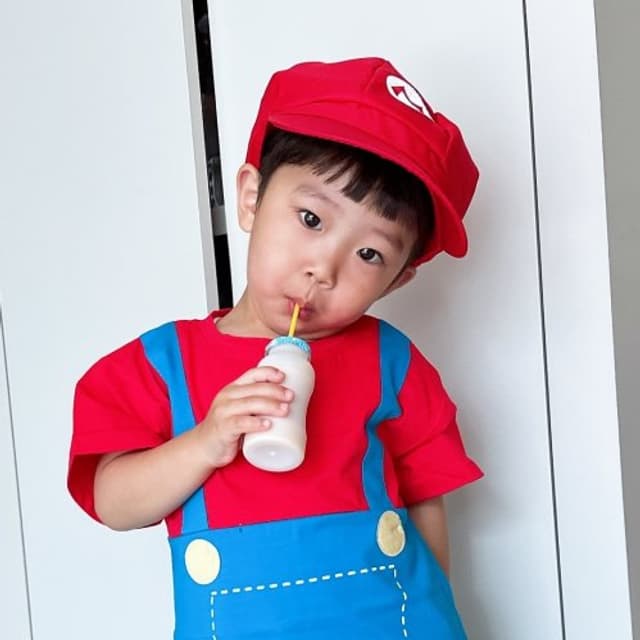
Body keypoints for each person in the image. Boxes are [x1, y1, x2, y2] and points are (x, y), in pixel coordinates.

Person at [68, 57, 484, 639]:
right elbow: (114, 503)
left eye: (370, 254)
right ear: (250, 197)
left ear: (397, 281)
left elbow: (425, 500)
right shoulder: (161, 366)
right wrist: (205, 442)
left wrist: (435, 616)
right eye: (311, 218)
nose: (323, 268)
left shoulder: (392, 361)